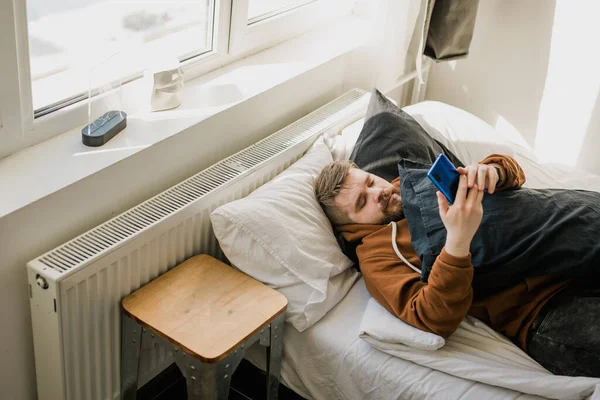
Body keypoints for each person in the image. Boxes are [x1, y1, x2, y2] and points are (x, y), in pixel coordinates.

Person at [314, 154, 600, 378]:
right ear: (349, 225)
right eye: (362, 202)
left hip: (566, 254)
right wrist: (457, 244)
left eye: (370, 181)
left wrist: (493, 170)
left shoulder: (416, 183)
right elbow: (430, 317)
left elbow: (511, 179)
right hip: (538, 310)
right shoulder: (375, 257)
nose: (378, 192)